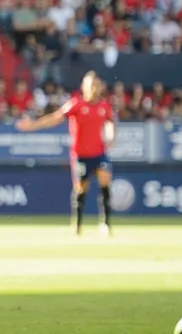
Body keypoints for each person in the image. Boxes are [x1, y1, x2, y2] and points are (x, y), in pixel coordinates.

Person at [16, 71, 116, 236]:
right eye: (91, 84)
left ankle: (105, 223)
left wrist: (111, 136)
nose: (94, 88)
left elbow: (110, 122)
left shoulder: (104, 106)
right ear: (84, 87)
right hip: (81, 155)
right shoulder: (76, 104)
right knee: (81, 188)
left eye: (96, 84)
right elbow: (56, 117)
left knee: (105, 178)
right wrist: (33, 125)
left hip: (99, 152)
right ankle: (77, 225)